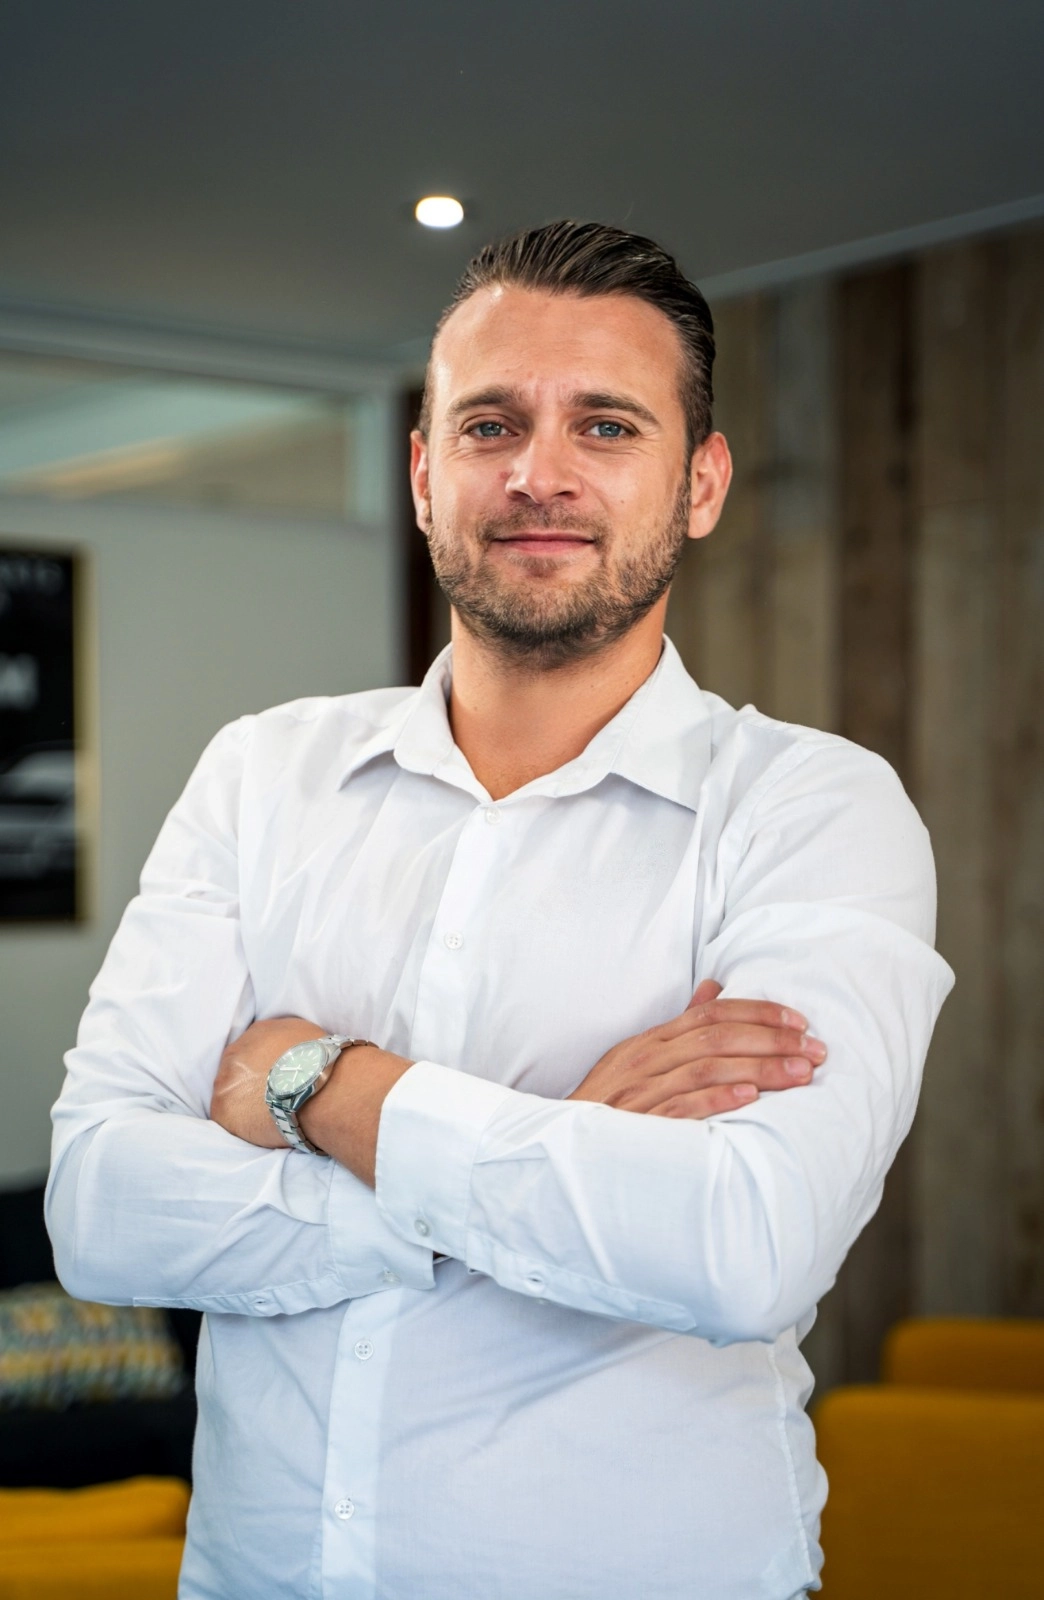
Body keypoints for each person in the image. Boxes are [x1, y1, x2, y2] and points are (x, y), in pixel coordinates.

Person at [47, 220, 953, 1600]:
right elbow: (103, 1208)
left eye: (606, 425)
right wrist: (557, 1152)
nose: (539, 473)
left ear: (701, 484)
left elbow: (743, 1248)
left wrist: (324, 1086)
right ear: (423, 476)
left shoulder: (812, 808)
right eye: (489, 425)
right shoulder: (264, 773)